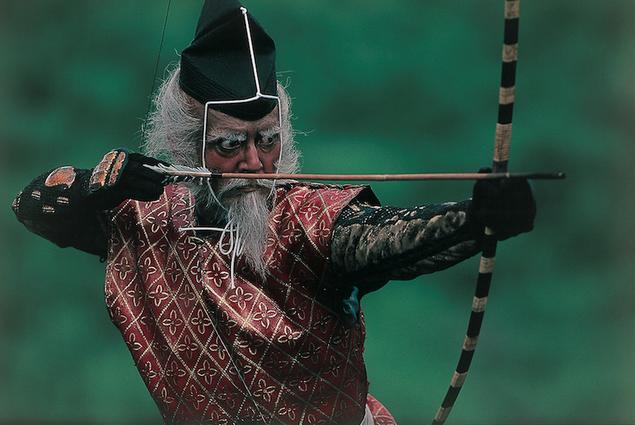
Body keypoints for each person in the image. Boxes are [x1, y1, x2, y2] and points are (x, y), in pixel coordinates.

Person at [11, 1, 535, 424]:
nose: (256, 163)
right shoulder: (143, 220)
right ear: (187, 145)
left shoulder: (306, 216)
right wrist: (102, 188)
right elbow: (30, 206)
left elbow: (383, 240)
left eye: (269, 140)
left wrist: (474, 218)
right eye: (230, 144)